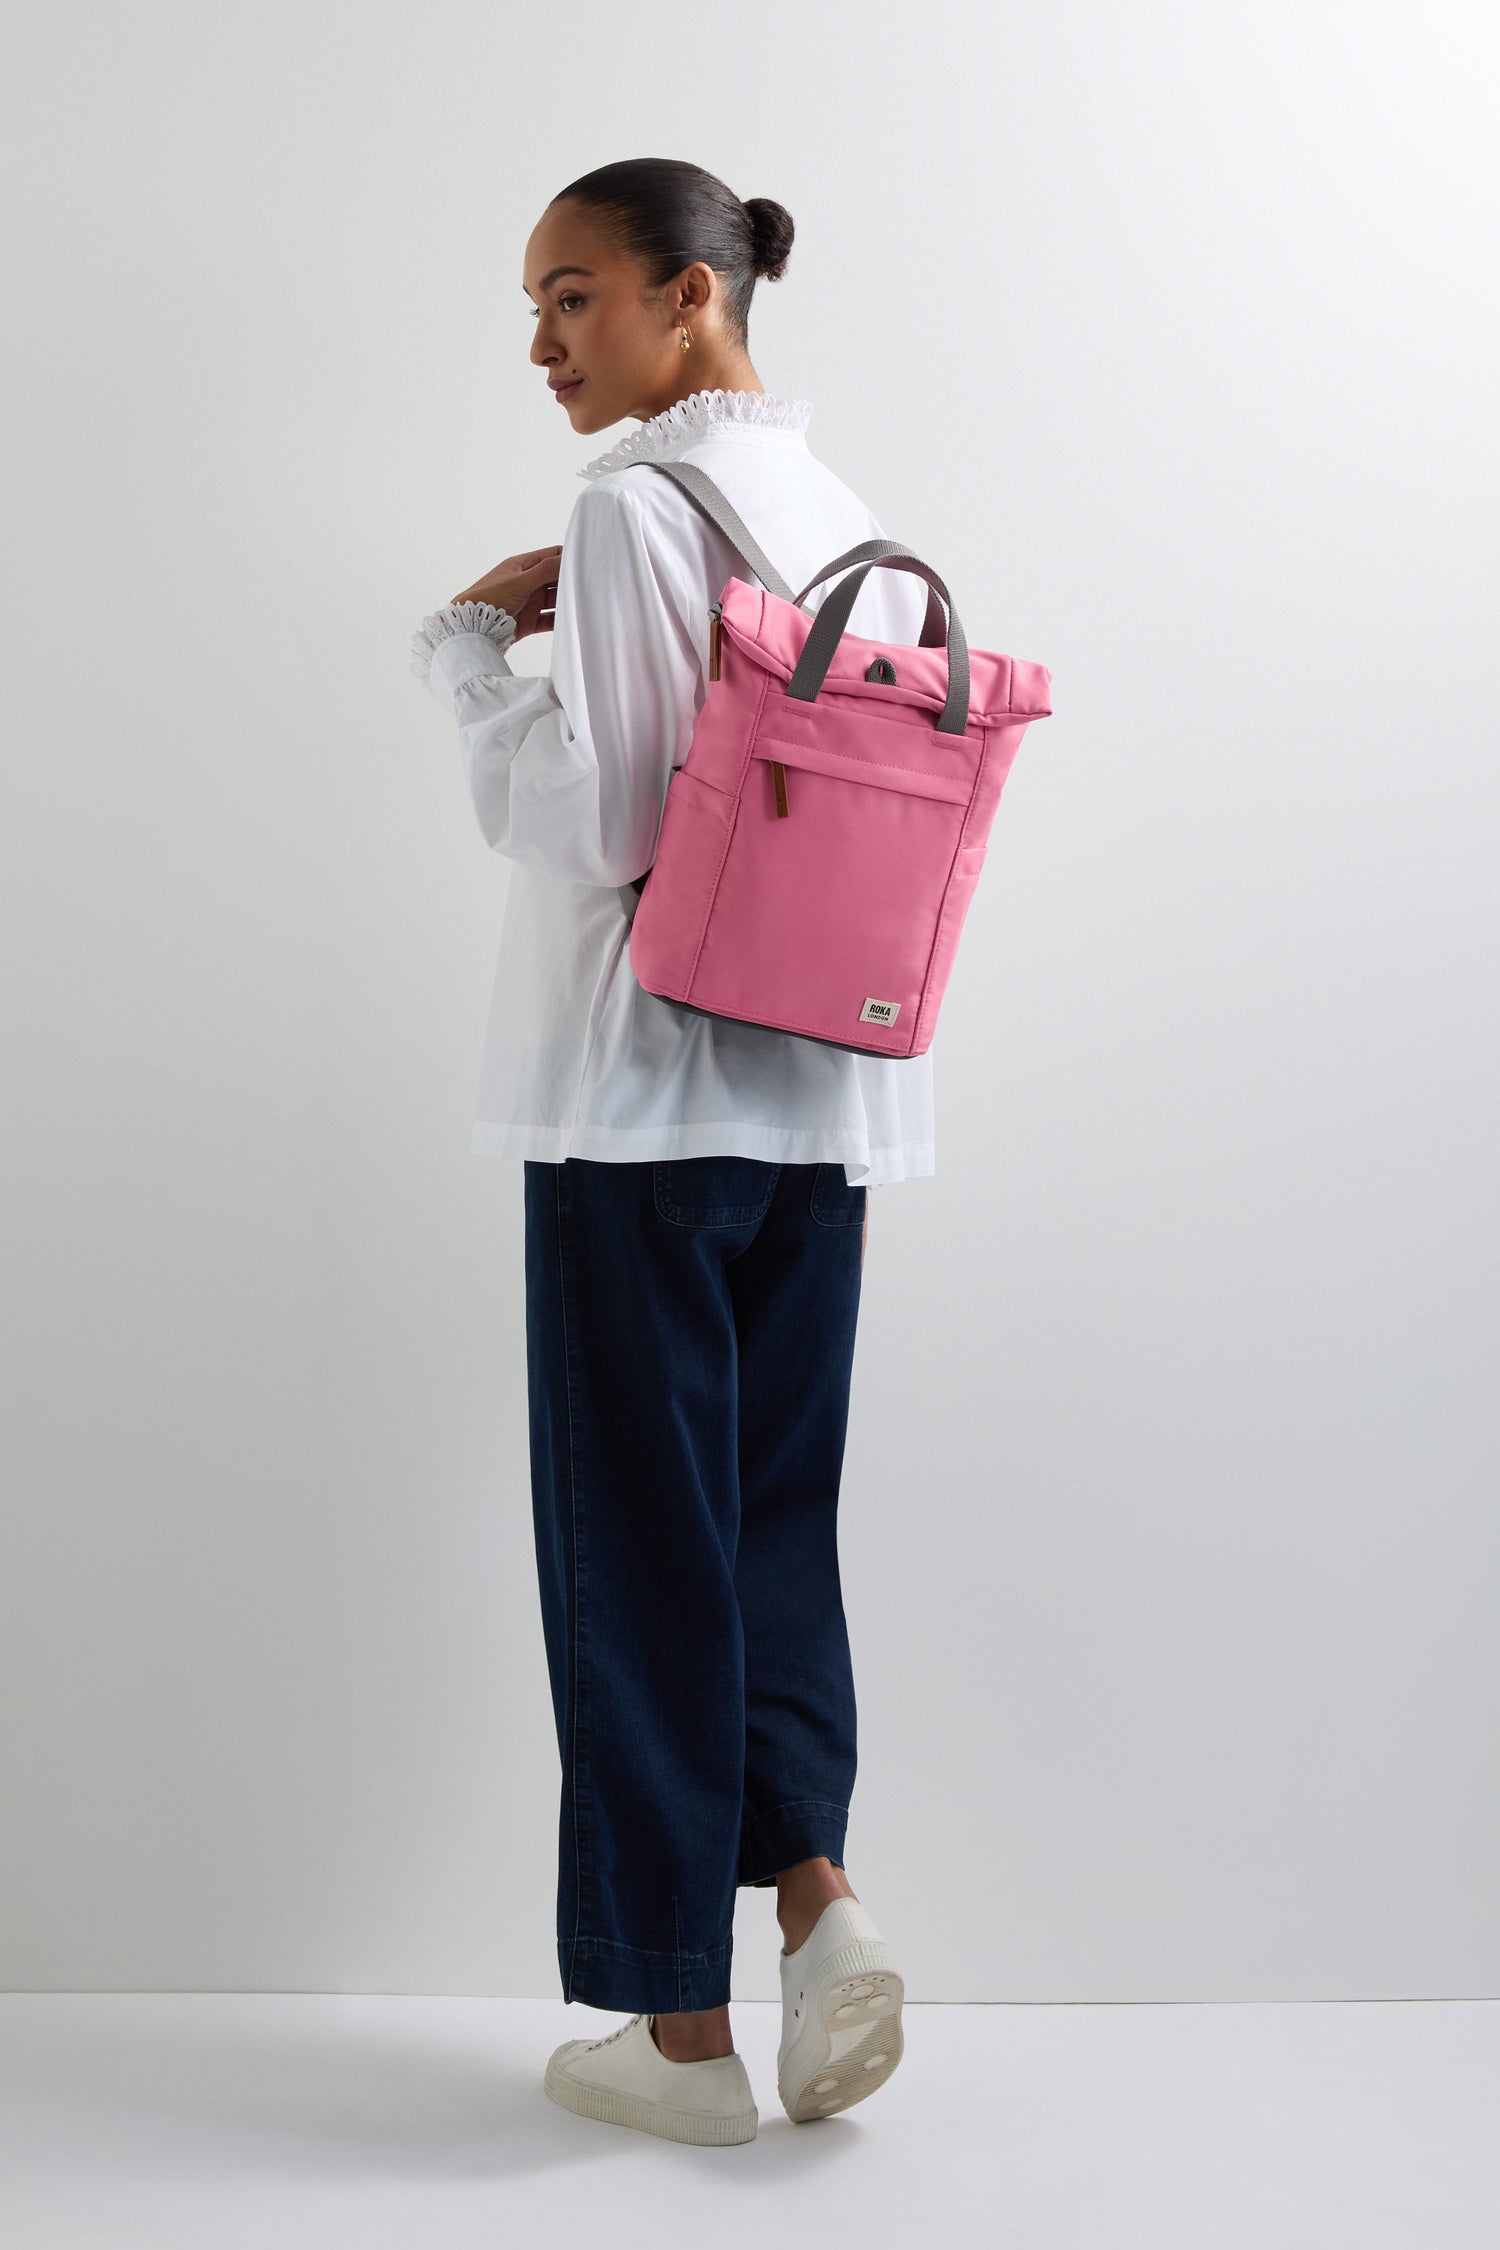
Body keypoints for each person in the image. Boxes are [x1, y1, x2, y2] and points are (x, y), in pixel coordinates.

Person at [410, 158, 929, 2147]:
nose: (545, 345)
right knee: (766, 1520)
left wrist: (464, 654)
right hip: (825, 1090)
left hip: (637, 1103)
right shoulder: (846, 513)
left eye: (575, 300)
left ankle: (676, 2031)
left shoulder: (633, 509)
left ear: (695, 295)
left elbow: (590, 822)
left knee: (634, 1543)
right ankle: (820, 1900)